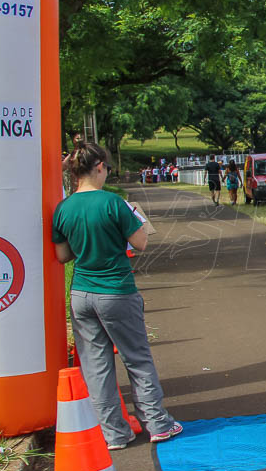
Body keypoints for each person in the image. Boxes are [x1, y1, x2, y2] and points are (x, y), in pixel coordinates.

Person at [52, 140, 182, 450]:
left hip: (82, 291)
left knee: (95, 366)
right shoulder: (113, 203)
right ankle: (157, 423)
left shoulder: (63, 207)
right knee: (136, 358)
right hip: (116, 290)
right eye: (107, 168)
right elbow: (140, 243)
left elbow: (61, 255)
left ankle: (114, 433)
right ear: (99, 167)